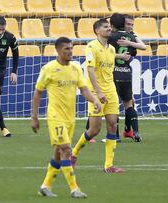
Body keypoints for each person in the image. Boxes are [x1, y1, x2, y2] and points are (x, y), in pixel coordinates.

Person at [31, 37, 101, 198]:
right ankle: (74, 188)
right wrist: (34, 117)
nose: (70, 51)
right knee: (66, 150)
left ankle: (45, 185)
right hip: (55, 116)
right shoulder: (49, 69)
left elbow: (84, 89)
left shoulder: (76, 68)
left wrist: (95, 100)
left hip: (70, 118)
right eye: (66, 49)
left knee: (58, 152)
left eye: (71, 48)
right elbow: (38, 93)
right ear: (58, 50)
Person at [70, 19, 130, 173]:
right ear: (97, 30)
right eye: (105, 27)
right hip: (96, 93)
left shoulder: (110, 49)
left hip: (111, 91)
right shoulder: (91, 46)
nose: (109, 28)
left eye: (109, 26)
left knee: (112, 125)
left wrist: (121, 57)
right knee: (94, 130)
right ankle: (74, 153)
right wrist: (98, 91)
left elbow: (109, 62)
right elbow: (90, 70)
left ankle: (108, 166)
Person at [108, 13, 145, 142]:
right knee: (129, 104)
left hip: (113, 73)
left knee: (113, 106)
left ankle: (115, 136)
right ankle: (136, 133)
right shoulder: (130, 37)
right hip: (126, 73)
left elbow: (105, 53)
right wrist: (131, 38)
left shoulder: (110, 37)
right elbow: (142, 47)